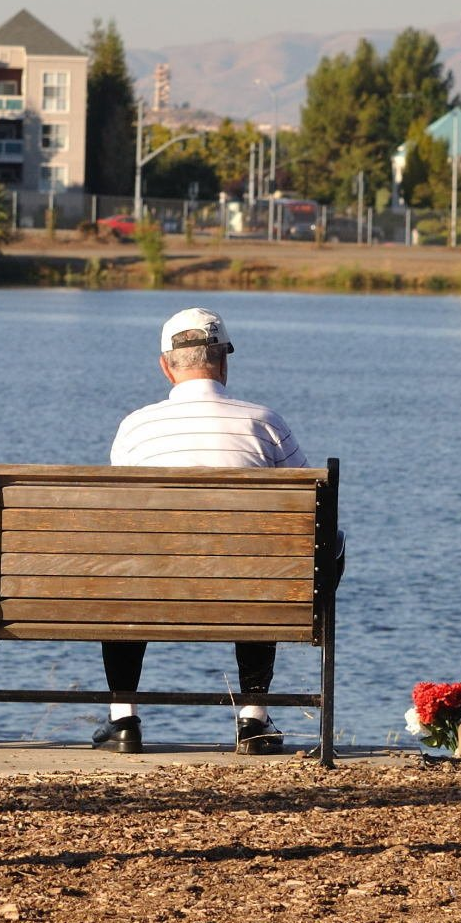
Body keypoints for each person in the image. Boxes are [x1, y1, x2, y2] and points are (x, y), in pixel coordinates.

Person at [96, 306, 323, 756]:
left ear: (166, 366)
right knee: (264, 565)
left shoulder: (136, 427)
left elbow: (122, 519)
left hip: (152, 586)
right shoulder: (265, 423)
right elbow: (312, 508)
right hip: (244, 586)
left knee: (123, 567)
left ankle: (123, 720)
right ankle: (253, 719)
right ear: (223, 363)